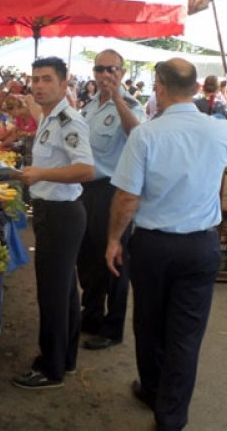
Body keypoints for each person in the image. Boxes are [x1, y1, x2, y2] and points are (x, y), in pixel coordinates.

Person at [105, 58, 227, 431]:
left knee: (149, 322)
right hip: (201, 246)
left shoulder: (147, 134)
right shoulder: (222, 131)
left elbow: (127, 198)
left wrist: (113, 239)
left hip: (154, 246)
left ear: (159, 87)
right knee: (186, 334)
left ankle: (152, 388)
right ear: (196, 89)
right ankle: (171, 418)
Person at [12, 56, 95, 389]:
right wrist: (26, 107)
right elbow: (35, 110)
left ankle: (50, 368)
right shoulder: (49, 116)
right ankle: (66, 358)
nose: (39, 85)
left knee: (52, 294)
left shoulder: (69, 121)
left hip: (62, 216)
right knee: (65, 294)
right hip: (52, 213)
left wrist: (41, 173)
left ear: (64, 84)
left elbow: (87, 169)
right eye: (35, 79)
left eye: (47, 79)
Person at [77, 49, 146, 351]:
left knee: (115, 261)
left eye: (111, 69)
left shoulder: (131, 105)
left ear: (122, 72)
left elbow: (136, 135)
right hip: (86, 190)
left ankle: (112, 326)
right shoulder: (90, 106)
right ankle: (91, 315)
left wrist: (118, 98)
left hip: (112, 192)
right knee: (88, 258)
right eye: (99, 69)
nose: (105, 75)